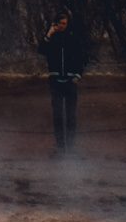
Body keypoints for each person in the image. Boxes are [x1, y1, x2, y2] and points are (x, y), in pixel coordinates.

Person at [38, 9, 89, 151]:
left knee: (71, 116)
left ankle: (71, 147)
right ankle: (60, 147)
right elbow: (41, 50)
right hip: (55, 81)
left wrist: (78, 75)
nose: (62, 26)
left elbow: (82, 58)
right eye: (60, 23)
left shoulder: (73, 38)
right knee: (58, 116)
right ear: (55, 23)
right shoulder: (51, 38)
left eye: (65, 23)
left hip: (70, 81)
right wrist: (49, 34)